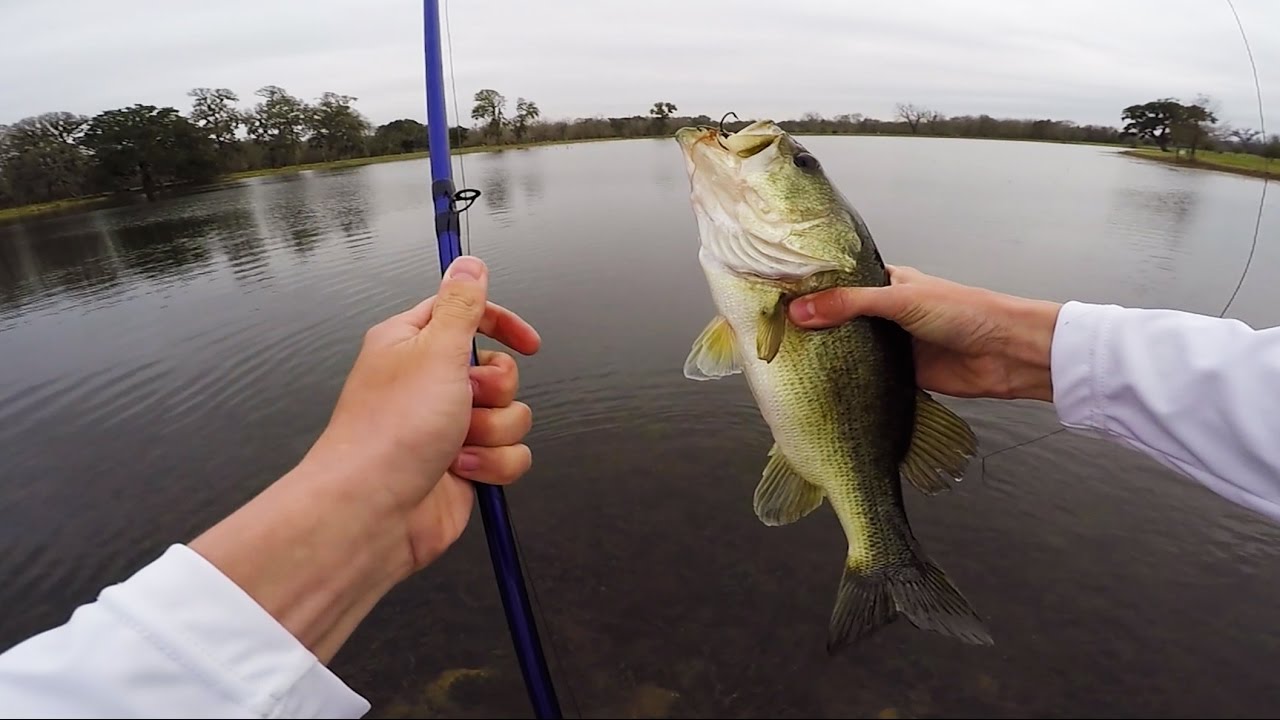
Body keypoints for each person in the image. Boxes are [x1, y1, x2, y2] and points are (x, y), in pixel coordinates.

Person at [1, 256, 1278, 718]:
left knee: (844, 481)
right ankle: (875, 556)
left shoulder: (793, 288)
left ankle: (874, 552)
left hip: (832, 416)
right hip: (820, 391)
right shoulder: (765, 292)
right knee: (840, 474)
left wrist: (349, 498)